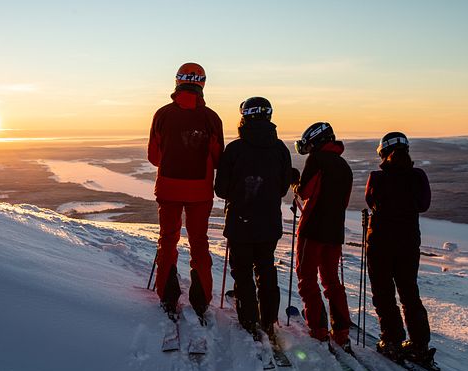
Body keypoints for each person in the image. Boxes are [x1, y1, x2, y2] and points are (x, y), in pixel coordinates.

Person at [147, 62, 224, 322]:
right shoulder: (212, 118)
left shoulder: (162, 114)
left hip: (168, 187)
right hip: (200, 193)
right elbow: (218, 157)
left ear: (177, 82)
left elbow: (154, 157)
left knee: (168, 240)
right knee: (199, 242)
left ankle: (167, 296)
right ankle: (201, 300)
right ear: (202, 83)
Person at [214, 97, 292, 339]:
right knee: (266, 267)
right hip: (269, 222)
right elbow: (282, 188)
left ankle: (249, 321)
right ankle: (268, 320)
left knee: (243, 272)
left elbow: (221, 190)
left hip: (240, 221)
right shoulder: (280, 149)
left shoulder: (235, 149)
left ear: (244, 116)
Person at [365, 132, 433, 365]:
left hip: (381, 243)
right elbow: (423, 205)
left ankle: (392, 341)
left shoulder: (377, 177)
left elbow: (371, 202)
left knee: (384, 294)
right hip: (408, 243)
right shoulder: (418, 176)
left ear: (383, 152)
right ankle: (419, 345)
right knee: (409, 293)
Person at [290, 122, 353, 348]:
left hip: (313, 229)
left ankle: (318, 329)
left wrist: (295, 184)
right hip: (334, 231)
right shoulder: (345, 166)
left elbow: (305, 191)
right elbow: (343, 203)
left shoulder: (316, 160)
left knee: (307, 278)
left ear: (316, 141)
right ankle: (342, 331)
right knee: (332, 281)